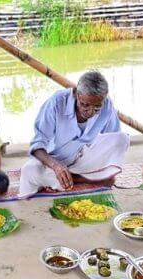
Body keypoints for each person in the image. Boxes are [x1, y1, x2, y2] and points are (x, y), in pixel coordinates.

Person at [19, 70, 129, 198]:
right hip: (50, 161)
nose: (90, 112)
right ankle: (83, 179)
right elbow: (37, 145)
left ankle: (68, 179)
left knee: (122, 139)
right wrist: (56, 166)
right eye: (85, 105)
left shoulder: (107, 105)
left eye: (97, 107)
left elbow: (111, 140)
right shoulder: (56, 102)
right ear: (77, 93)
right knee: (29, 171)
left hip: (81, 158)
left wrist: (108, 168)